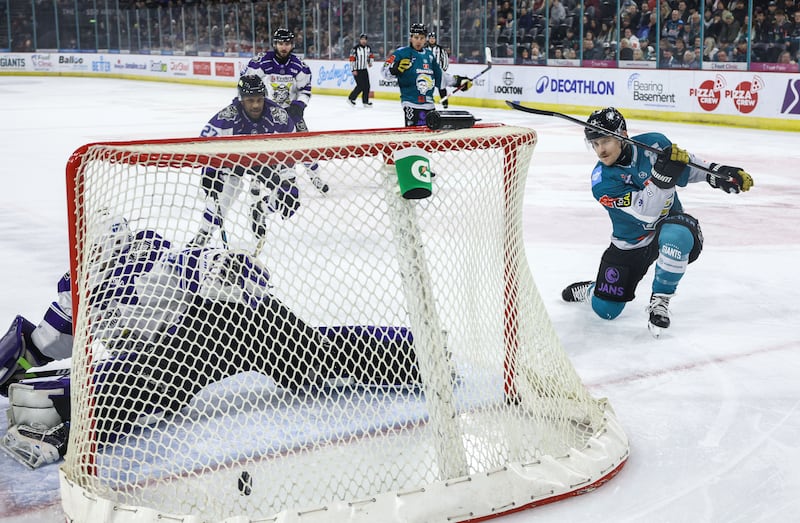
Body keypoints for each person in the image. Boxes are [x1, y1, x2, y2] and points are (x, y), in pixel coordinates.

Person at [2, 233, 422, 468]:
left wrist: (230, 267)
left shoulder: (151, 258)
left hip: (231, 325)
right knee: (148, 377)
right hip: (188, 348)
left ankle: (414, 354)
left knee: (314, 358)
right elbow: (42, 344)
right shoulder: (78, 288)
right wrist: (11, 365)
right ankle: (414, 354)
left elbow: (205, 263)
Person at [561, 108, 753, 337]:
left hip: (669, 225)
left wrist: (716, 174)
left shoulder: (654, 144)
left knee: (677, 236)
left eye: (605, 141)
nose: (600, 150)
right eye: (594, 144)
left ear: (622, 134)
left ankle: (660, 301)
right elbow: (647, 214)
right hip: (631, 242)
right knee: (606, 311)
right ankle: (594, 289)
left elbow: (686, 166)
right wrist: (661, 180)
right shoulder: (601, 182)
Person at [194, 74, 301, 247]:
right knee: (224, 197)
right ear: (241, 99)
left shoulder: (278, 116)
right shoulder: (226, 117)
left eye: (260, 99)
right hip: (234, 162)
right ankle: (204, 233)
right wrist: (209, 173)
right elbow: (205, 145)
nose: (256, 105)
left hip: (264, 160)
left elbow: (289, 151)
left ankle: (260, 210)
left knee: (290, 196)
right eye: (250, 100)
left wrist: (288, 180)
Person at [240, 28, 325, 192]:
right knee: (261, 146)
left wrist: (299, 106)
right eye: (280, 43)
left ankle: (315, 177)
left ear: (292, 45)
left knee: (306, 144)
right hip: (266, 114)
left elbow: (305, 90)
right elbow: (246, 83)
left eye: (287, 44)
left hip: (291, 112)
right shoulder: (261, 62)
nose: (283, 47)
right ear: (275, 44)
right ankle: (256, 179)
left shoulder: (299, 66)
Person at [382, 23, 474, 127]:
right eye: (416, 37)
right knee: (414, 137)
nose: (419, 41)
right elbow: (384, 72)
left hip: (429, 104)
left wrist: (458, 81)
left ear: (425, 39)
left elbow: (440, 76)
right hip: (411, 103)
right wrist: (395, 69)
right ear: (411, 37)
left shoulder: (429, 55)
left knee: (429, 140)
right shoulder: (401, 53)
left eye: (422, 38)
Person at [347, 33, 374, 107]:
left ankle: (365, 102)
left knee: (367, 86)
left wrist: (370, 62)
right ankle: (351, 98)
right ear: (360, 40)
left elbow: (371, 56)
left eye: (365, 39)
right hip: (357, 70)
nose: (363, 41)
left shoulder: (368, 48)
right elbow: (352, 59)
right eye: (362, 39)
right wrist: (353, 69)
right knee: (360, 86)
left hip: (364, 69)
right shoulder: (355, 49)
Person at [426, 32, 450, 108]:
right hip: (427, 72)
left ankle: (445, 102)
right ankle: (426, 101)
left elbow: (445, 59)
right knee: (426, 87)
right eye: (430, 38)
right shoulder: (424, 49)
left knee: (442, 87)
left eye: (433, 38)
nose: (432, 40)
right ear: (428, 39)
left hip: (438, 71)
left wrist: (443, 70)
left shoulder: (440, 49)